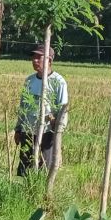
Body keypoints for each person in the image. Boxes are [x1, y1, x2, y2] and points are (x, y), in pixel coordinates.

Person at [15, 43, 68, 176]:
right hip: (28, 130)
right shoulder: (29, 81)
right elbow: (23, 107)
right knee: (25, 167)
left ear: (49, 60)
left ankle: (41, 194)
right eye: (34, 57)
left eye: (39, 57)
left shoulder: (58, 81)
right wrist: (18, 129)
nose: (35, 60)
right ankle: (25, 193)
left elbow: (63, 109)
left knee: (43, 168)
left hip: (46, 132)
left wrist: (58, 128)